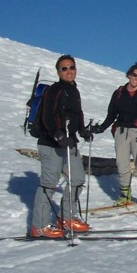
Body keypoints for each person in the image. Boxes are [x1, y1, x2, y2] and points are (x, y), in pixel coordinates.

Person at [30, 54, 93, 238]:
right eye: (64, 68)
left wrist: (83, 131)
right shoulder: (54, 90)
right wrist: (57, 134)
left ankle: (67, 218)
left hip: (69, 142)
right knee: (49, 184)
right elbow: (47, 116)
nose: (69, 71)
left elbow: (77, 114)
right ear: (58, 72)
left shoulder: (74, 91)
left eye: (71, 67)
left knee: (78, 179)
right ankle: (39, 226)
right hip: (51, 143)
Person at [92, 62, 137, 209]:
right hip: (121, 131)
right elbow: (111, 115)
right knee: (122, 164)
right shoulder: (118, 93)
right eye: (134, 75)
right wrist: (102, 128)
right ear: (129, 74)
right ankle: (125, 195)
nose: (136, 78)